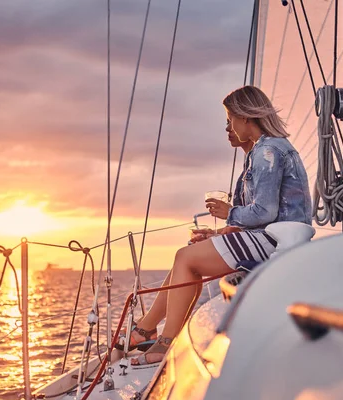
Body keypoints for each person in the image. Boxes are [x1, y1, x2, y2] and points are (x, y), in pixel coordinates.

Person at [123, 85, 312, 366]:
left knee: (187, 259)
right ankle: (147, 327)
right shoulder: (266, 150)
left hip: (276, 240)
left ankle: (165, 340)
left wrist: (228, 213)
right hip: (273, 235)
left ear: (247, 118)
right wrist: (222, 232)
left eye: (230, 119)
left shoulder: (268, 151)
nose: (227, 127)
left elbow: (265, 211)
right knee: (188, 255)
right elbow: (268, 212)